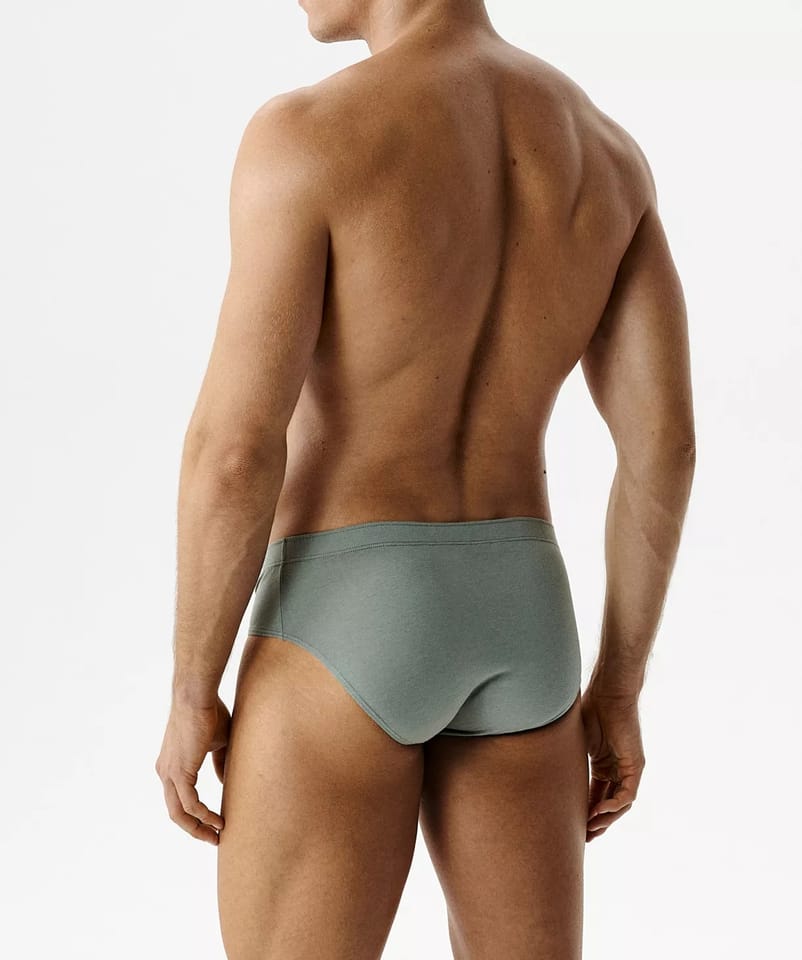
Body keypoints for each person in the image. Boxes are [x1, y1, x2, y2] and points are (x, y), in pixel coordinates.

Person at [154, 1, 696, 956]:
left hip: (347, 610)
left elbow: (235, 448)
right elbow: (665, 448)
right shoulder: (605, 155)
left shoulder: (309, 134)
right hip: (526, 618)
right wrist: (617, 685)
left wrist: (193, 687)